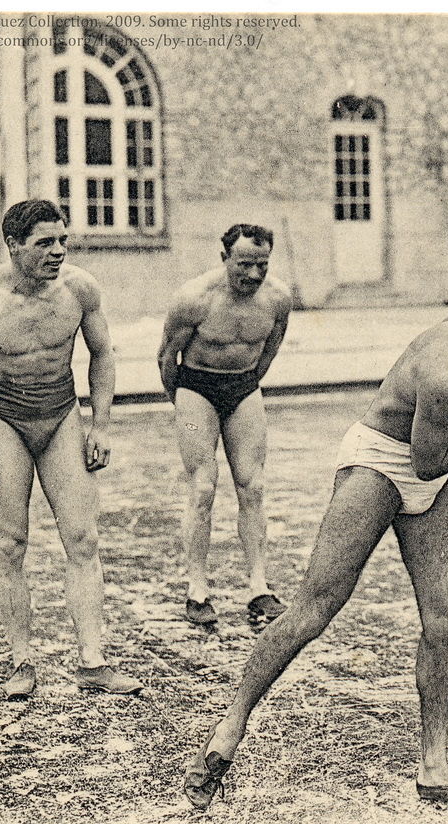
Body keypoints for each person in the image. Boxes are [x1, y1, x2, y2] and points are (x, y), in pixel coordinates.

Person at [182, 258, 448, 813]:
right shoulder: (446, 373)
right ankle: (229, 725)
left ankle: (434, 766)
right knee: (313, 610)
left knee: (445, 620)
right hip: (384, 464)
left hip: (432, 467)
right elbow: (428, 464)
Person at [0, 200, 142, 700]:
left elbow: (103, 353)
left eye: (63, 240)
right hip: (4, 419)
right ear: (13, 245)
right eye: (44, 243)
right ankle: (21, 661)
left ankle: (93, 662)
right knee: (10, 544)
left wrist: (101, 425)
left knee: (83, 539)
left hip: (61, 415)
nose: (58, 251)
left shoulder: (79, 289)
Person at [158, 224, 293, 628]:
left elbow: (270, 349)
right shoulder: (194, 299)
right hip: (196, 389)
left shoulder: (278, 299)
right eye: (244, 264)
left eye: (262, 265)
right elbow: (166, 357)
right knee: (203, 487)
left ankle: (259, 586)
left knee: (253, 487)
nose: (253, 274)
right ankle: (197, 590)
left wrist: (246, 385)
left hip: (243, 387)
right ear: (224, 259)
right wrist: (183, 404)